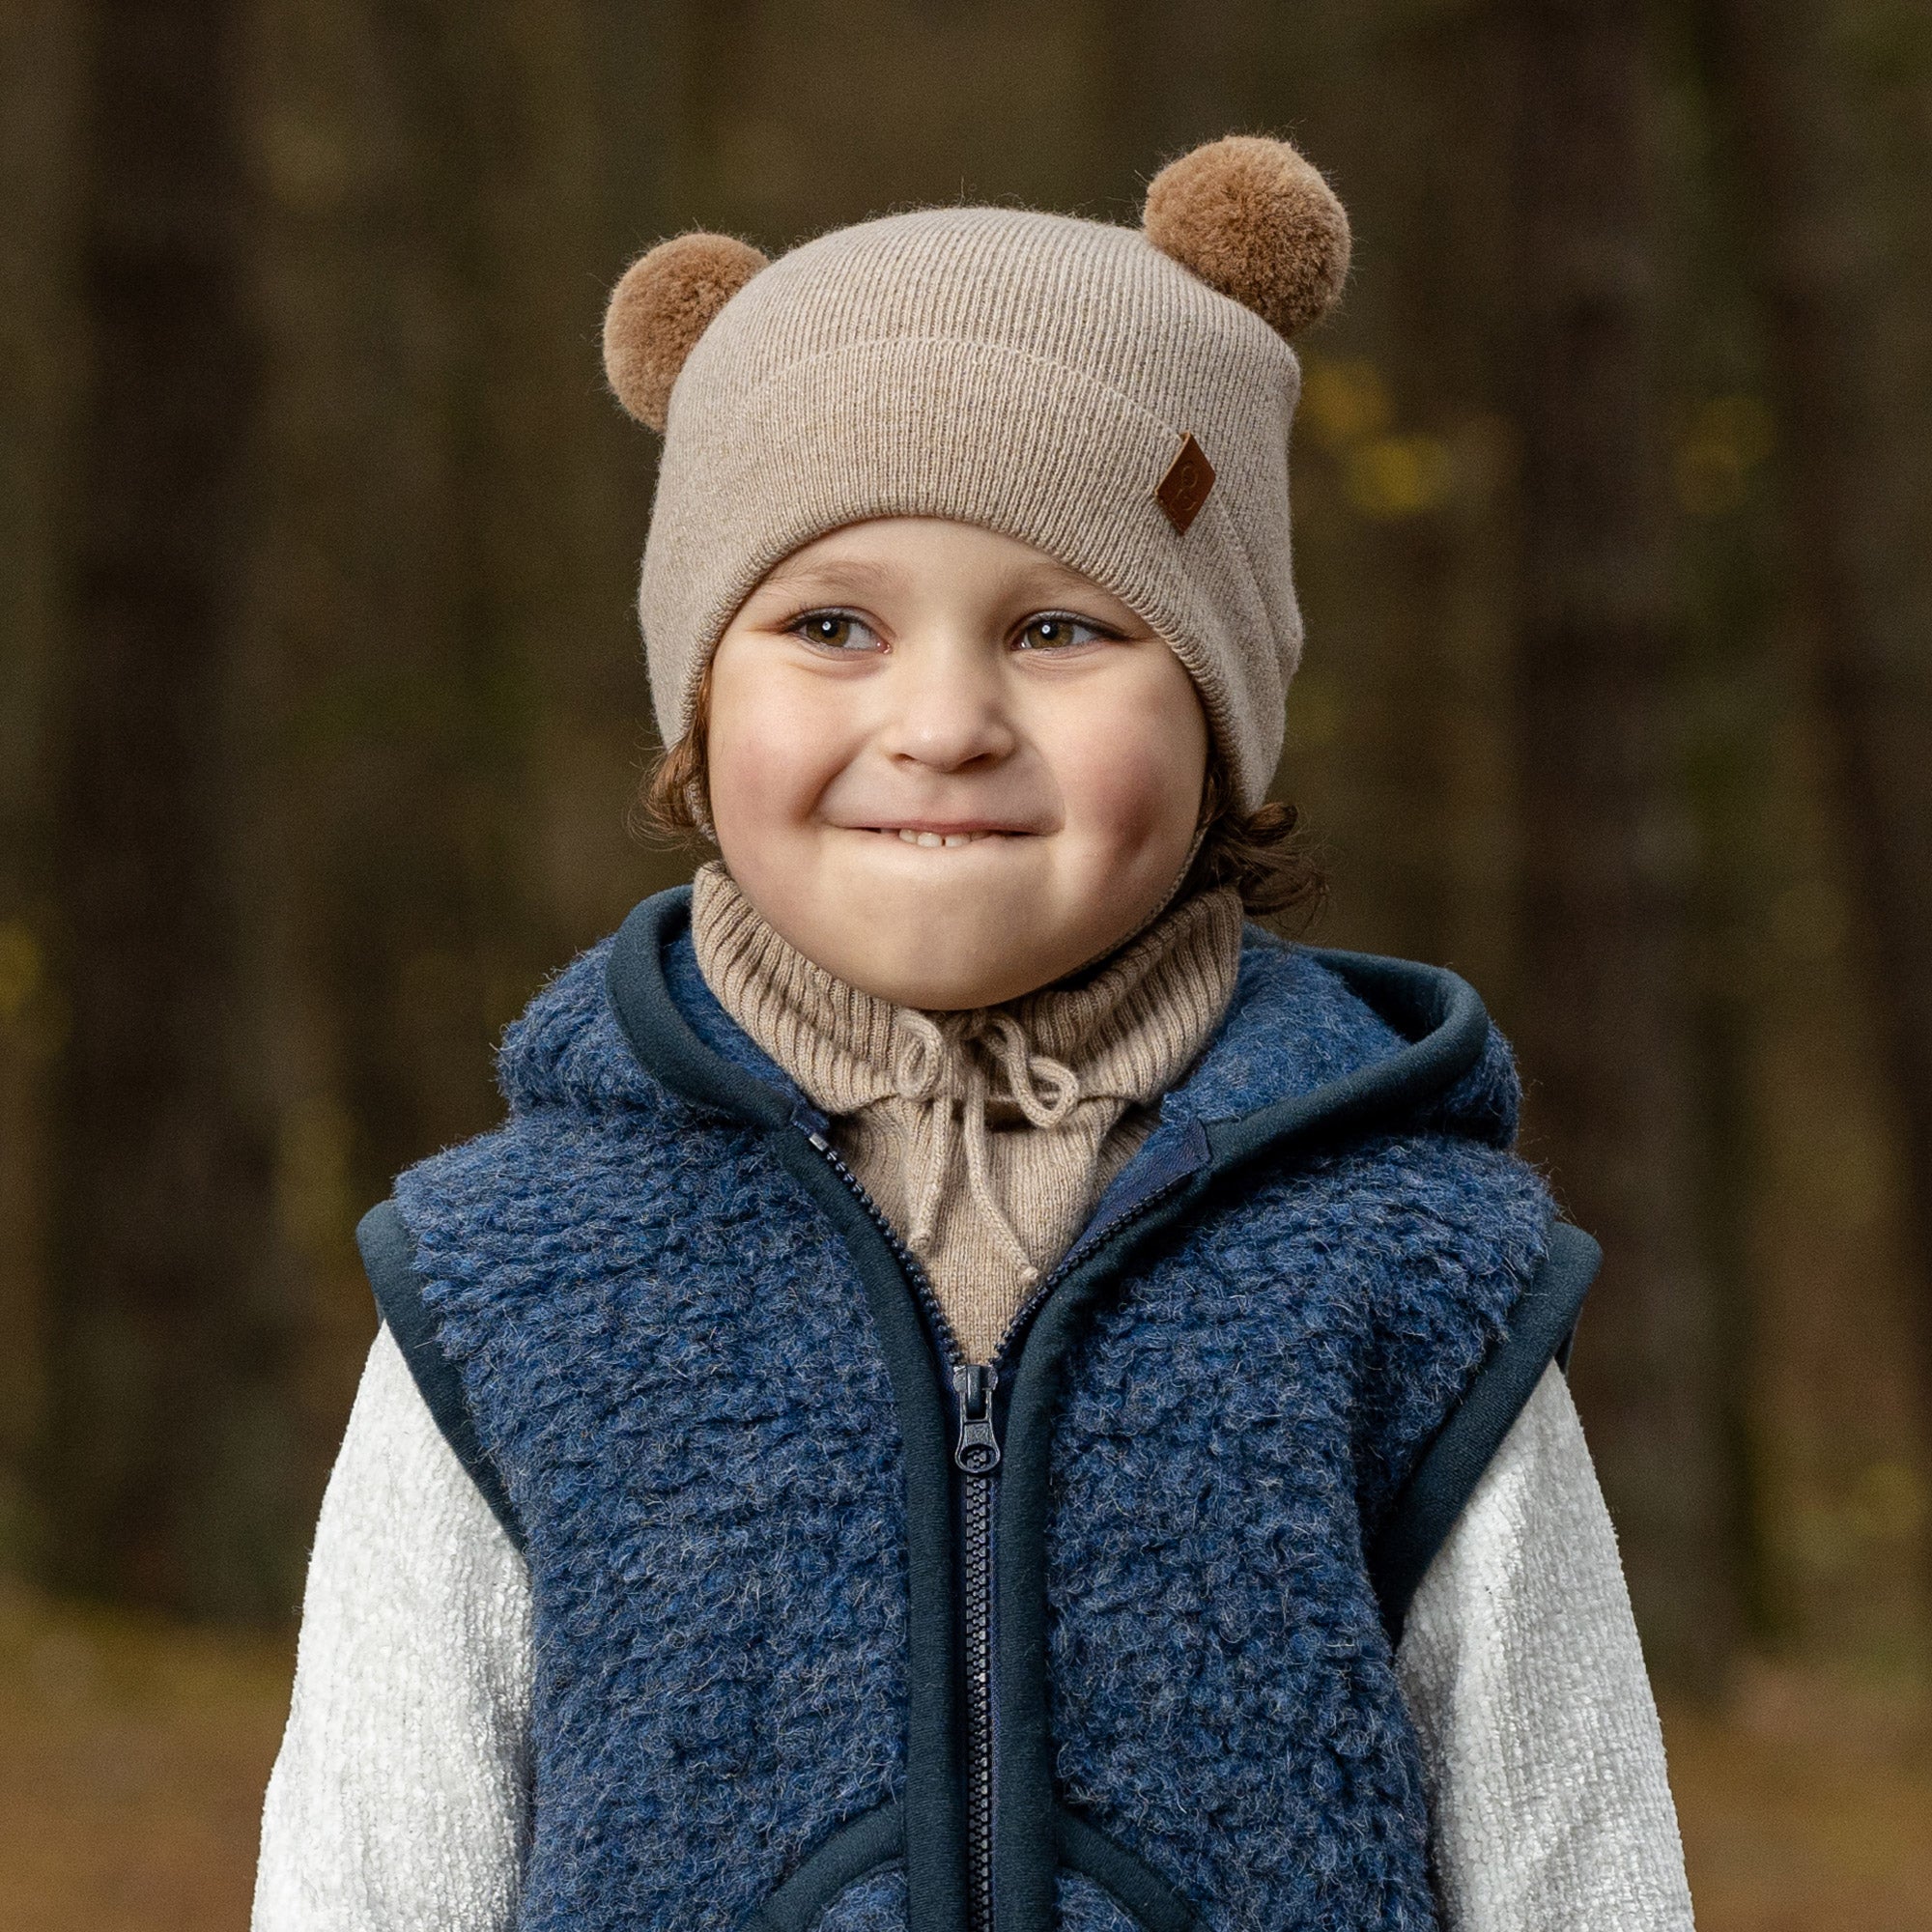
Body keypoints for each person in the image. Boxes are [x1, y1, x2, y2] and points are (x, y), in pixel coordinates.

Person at [252, 134, 1695, 1932]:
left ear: (1221, 712)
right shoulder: (509, 1283)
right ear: (699, 708)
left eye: (1062, 627)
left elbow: (1579, 1864)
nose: (943, 721)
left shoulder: (1411, 1269)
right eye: (831, 623)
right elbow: (370, 1874)